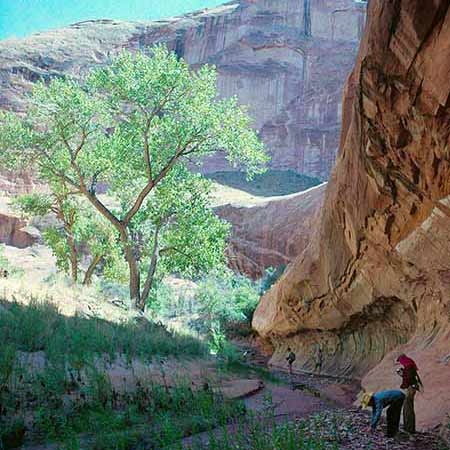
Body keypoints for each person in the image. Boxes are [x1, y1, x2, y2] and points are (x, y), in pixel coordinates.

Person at [396, 354, 423, 433]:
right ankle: (409, 428)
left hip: (410, 388)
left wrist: (402, 374)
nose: (401, 363)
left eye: (400, 361)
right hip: (412, 388)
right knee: (408, 408)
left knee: (408, 408)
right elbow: (409, 377)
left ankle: (409, 429)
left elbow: (408, 379)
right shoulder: (410, 365)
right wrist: (403, 373)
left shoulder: (408, 366)